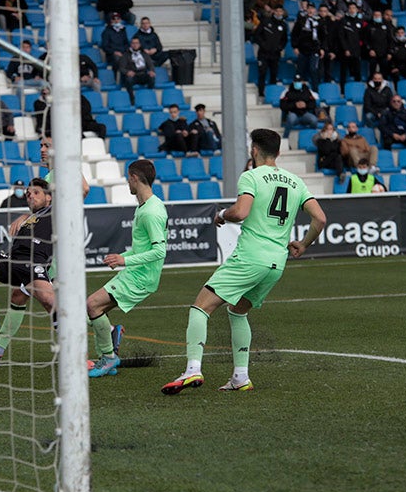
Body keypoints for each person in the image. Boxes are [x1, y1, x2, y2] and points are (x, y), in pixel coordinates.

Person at [162, 129, 327, 394]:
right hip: (276, 263)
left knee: (200, 307)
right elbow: (320, 219)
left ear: (253, 151)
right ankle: (240, 377)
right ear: (279, 152)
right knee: (238, 311)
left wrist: (221, 215)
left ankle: (192, 370)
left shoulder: (251, 176)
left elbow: (241, 212)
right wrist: (304, 244)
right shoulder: (296, 181)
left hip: (251, 257)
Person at [86, 160, 168, 378]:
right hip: (135, 272)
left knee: (92, 305)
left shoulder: (151, 212)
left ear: (134, 178)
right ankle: (111, 337)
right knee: (92, 311)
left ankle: (109, 357)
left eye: (128, 178)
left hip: (141, 277)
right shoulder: (145, 206)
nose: (127, 183)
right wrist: (123, 257)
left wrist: (125, 262)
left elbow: (160, 251)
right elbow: (143, 247)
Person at [0, 178, 55, 363]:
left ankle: (103, 328)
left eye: (36, 193)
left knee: (51, 302)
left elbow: (81, 191)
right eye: (28, 194)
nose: (30, 196)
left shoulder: (57, 212)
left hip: (34, 266)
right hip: (15, 262)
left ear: (49, 198)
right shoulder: (29, 218)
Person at [118, 37, 155, 103]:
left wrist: (151, 71)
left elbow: (150, 64)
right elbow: (121, 68)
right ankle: (132, 98)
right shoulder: (126, 55)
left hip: (143, 74)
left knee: (152, 78)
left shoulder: (144, 54)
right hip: (133, 75)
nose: (135, 45)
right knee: (128, 80)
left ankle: (149, 95)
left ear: (140, 44)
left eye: (137, 43)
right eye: (133, 43)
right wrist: (127, 72)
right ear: (131, 44)